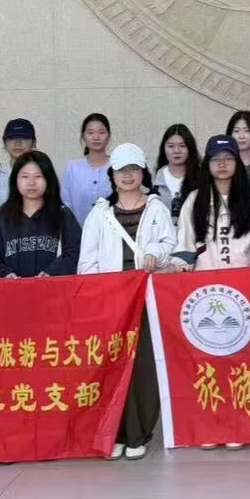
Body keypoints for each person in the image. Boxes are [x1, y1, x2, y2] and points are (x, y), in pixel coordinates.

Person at [77, 143, 175, 461]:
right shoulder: (99, 214)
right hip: (111, 304)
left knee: (143, 367)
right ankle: (115, 433)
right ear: (112, 175)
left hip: (146, 301)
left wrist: (156, 253)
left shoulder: (157, 209)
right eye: (121, 170)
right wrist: (99, 296)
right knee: (112, 367)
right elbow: (87, 262)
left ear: (143, 172)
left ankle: (138, 433)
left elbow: (170, 244)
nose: (128, 175)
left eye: (133, 169)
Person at [0, 150, 82, 278]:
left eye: (38, 176)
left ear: (48, 179)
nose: (31, 182)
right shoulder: (1, 219)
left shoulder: (63, 216)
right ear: (15, 180)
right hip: (12, 289)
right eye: (25, 176)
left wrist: (53, 272)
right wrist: (4, 273)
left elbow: (75, 252)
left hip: (53, 288)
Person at [176, 135, 250, 272]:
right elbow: (185, 243)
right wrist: (178, 266)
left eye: (228, 158)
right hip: (205, 279)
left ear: (237, 162)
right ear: (207, 163)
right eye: (215, 159)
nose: (222, 164)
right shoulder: (194, 199)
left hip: (244, 277)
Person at [0, 117, 38, 220]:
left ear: (33, 142)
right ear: (4, 143)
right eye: (11, 138)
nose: (18, 142)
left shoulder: (45, 176)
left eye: (24, 137)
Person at [63, 113, 113, 225]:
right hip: (78, 232)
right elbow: (67, 205)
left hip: (112, 232)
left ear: (109, 136)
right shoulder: (73, 168)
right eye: (90, 132)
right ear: (83, 136)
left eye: (101, 132)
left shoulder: (117, 167)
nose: (96, 137)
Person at [153, 123, 201, 220]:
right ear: (163, 148)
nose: (176, 151)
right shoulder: (155, 180)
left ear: (190, 148)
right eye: (171, 146)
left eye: (182, 146)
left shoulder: (200, 177)